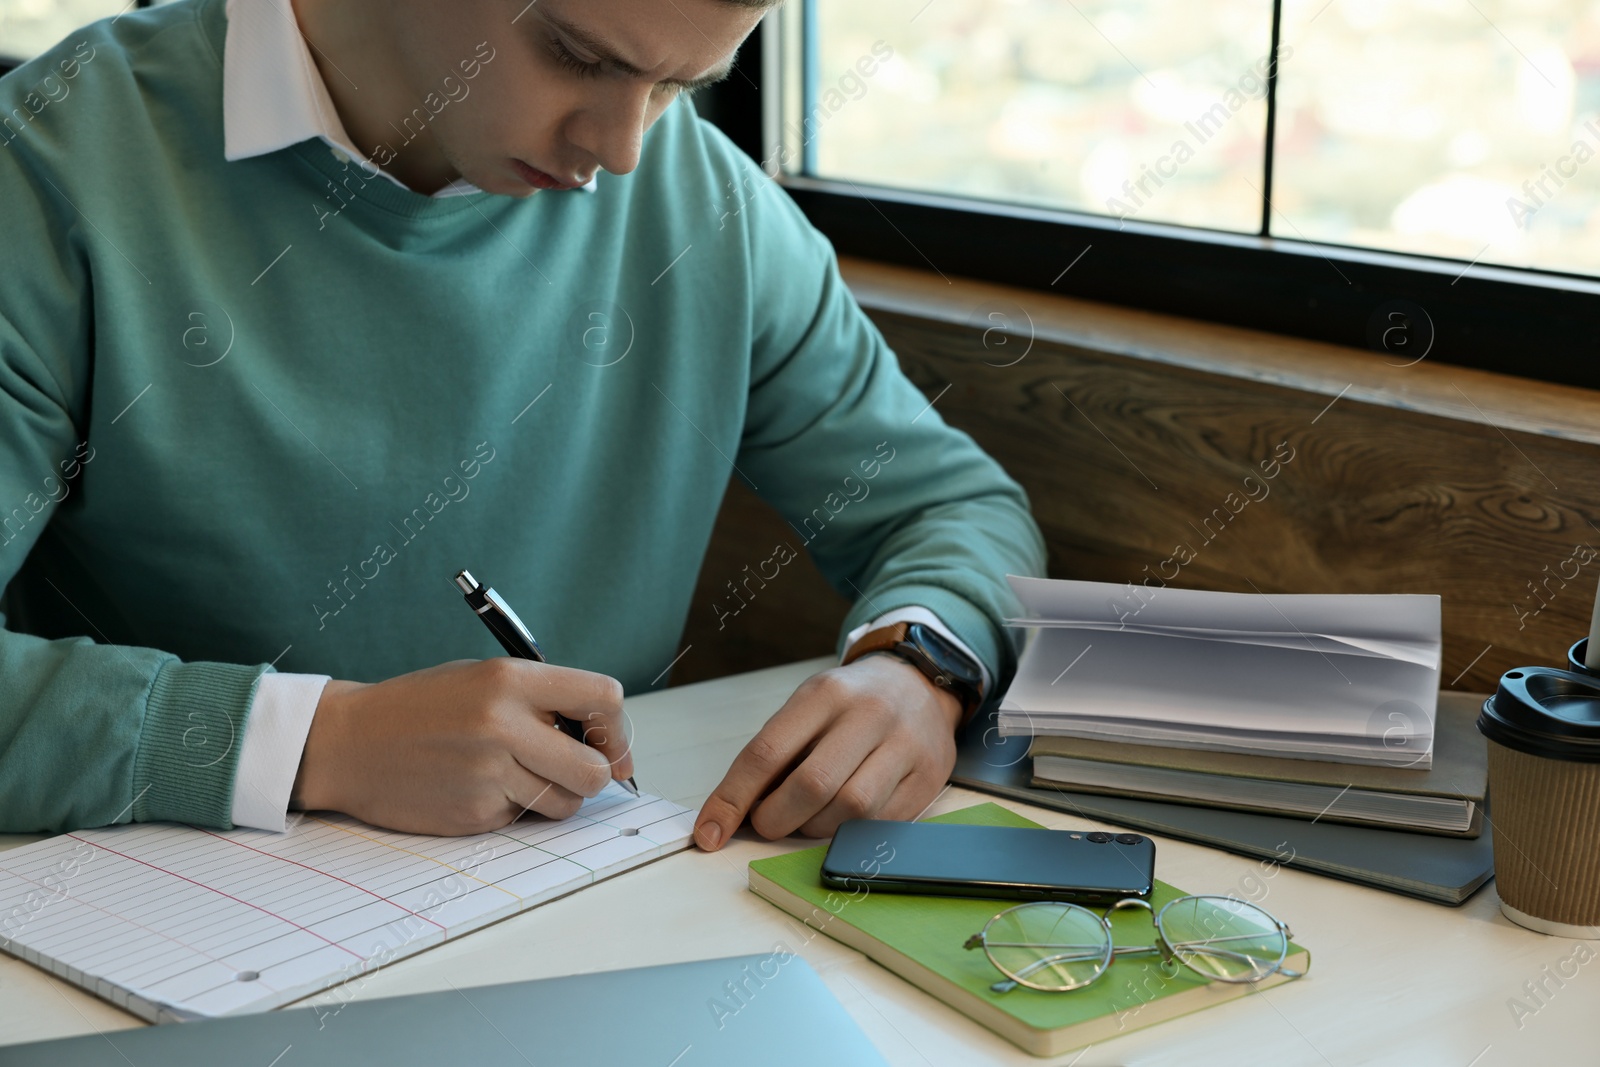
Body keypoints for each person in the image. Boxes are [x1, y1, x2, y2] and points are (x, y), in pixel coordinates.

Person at [0, 0, 1046, 849]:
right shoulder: (52, 171)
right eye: (573, 54)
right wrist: (324, 739)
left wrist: (917, 668)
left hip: (576, 919)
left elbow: (950, 507)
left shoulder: (705, 207)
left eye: (682, 85)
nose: (624, 149)